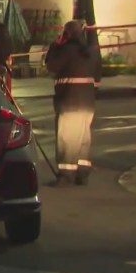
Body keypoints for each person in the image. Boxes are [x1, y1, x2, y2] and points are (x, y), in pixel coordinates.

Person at [44, 20, 97, 186]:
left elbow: (51, 65)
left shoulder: (66, 50)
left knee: (67, 138)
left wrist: (55, 45)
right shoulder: (89, 52)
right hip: (87, 103)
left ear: (67, 34)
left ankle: (66, 174)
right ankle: (83, 173)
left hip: (70, 101)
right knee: (82, 138)